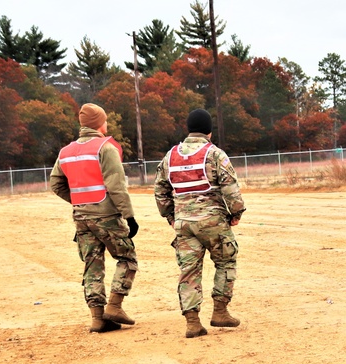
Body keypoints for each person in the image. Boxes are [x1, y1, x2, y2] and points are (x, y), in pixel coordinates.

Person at [154, 109, 246, 338]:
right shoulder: (215, 154)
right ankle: (220, 311)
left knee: (188, 271)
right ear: (209, 132)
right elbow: (230, 188)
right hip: (213, 221)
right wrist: (236, 213)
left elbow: (160, 190)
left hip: (184, 223)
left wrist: (171, 216)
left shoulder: (171, 156)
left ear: (188, 129)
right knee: (225, 261)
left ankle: (192, 322)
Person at [50, 103, 139, 333]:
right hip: (106, 215)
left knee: (92, 265)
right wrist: (129, 216)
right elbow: (116, 185)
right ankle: (115, 306)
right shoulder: (105, 148)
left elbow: (56, 184)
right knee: (127, 258)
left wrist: (79, 201)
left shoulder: (65, 151)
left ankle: (98, 318)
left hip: (81, 217)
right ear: (100, 123)